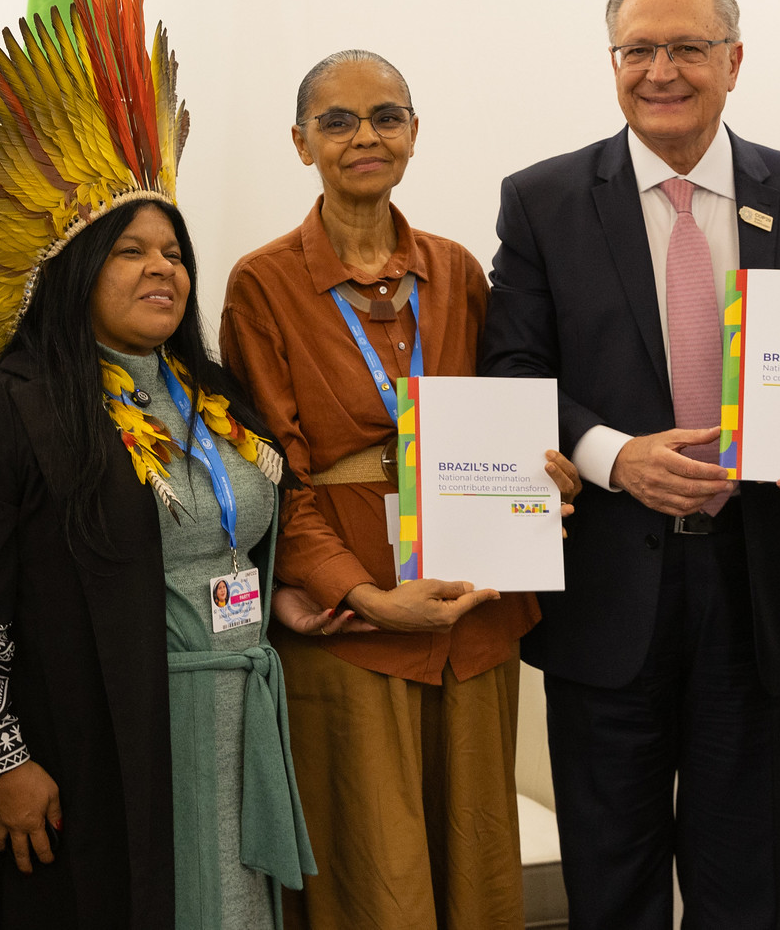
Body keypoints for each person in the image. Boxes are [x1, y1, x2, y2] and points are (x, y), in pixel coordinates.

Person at [481, 0, 780, 929]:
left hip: (755, 583)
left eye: (686, 47)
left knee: (743, 888)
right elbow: (512, 371)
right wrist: (613, 456)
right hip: (607, 593)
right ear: (613, 65)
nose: (661, 71)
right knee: (613, 885)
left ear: (734, 60)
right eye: (637, 50)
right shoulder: (543, 200)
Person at [220, 50, 577, 930]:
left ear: (414, 133)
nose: (363, 136)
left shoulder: (457, 270)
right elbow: (275, 473)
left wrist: (548, 469)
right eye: (336, 121)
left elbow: (505, 414)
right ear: (301, 143)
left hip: (475, 607)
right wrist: (369, 596)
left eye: (385, 115)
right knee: (373, 877)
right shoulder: (261, 283)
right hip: (353, 624)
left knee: (480, 870)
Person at [0, 197, 311, 929]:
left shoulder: (212, 395)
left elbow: (226, 540)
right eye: (130, 250)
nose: (162, 266)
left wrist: (277, 597)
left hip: (235, 718)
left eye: (175, 253)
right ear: (72, 271)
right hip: (93, 745)